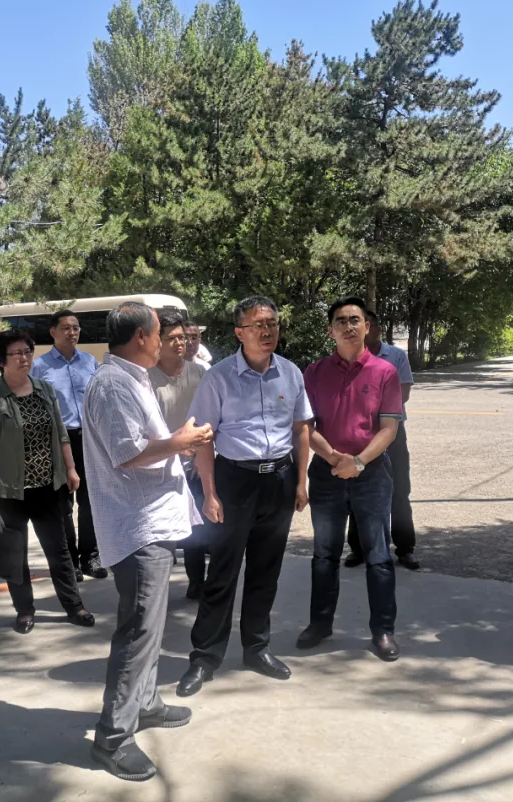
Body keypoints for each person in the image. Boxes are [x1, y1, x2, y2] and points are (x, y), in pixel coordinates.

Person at [83, 302, 214, 781]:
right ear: (141, 336)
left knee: (151, 627)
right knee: (138, 631)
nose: (165, 341)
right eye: (159, 333)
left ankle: (146, 702)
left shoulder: (131, 378)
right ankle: (113, 737)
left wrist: (178, 441)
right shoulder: (113, 384)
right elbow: (127, 453)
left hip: (153, 521)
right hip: (138, 527)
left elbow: (140, 443)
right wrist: (180, 442)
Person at [177, 296, 313, 697]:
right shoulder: (218, 377)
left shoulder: (290, 373)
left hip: (279, 480)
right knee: (222, 573)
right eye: (258, 325)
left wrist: (301, 481)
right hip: (235, 481)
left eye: (272, 323)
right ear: (240, 333)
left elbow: (301, 428)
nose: (267, 331)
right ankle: (204, 658)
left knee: (265, 573)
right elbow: (204, 438)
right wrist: (210, 493)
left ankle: (257, 648)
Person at [298, 299, 404, 661]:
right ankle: (320, 624)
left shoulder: (385, 372)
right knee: (324, 554)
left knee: (378, 555)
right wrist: (334, 458)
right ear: (331, 330)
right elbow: (305, 425)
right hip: (327, 473)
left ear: (366, 327)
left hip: (371, 473)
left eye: (355, 320)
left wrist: (357, 462)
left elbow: (389, 429)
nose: (348, 326)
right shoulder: (314, 372)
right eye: (340, 321)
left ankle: (383, 630)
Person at [0, 328, 95, 634]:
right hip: (10, 491)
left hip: (48, 487)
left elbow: (61, 433)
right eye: (16, 353)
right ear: (2, 360)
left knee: (60, 551)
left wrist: (71, 469)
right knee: (15, 555)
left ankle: (74, 606)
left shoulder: (44, 389)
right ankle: (25, 610)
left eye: (28, 352)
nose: (24, 358)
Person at [31, 310, 107, 579]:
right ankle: (70, 561)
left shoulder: (89, 362)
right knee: (63, 504)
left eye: (75, 327)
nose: (72, 332)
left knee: (90, 501)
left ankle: (90, 557)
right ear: (53, 332)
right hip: (57, 442)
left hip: (88, 439)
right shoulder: (39, 367)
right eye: (66, 328)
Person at [346, 310, 419, 570]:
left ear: (376, 328)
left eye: (370, 324)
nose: (365, 330)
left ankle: (405, 549)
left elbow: (403, 394)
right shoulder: (350, 357)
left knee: (399, 491)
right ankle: (358, 548)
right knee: (358, 490)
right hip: (361, 434)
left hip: (392, 433)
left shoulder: (396, 356)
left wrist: (370, 406)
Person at [148, 309, 208, 599]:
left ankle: (197, 582)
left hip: (196, 463)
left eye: (183, 337)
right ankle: (154, 591)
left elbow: (210, 418)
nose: (180, 343)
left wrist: (201, 456)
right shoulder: (145, 378)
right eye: (172, 338)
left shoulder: (199, 373)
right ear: (157, 341)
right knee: (161, 532)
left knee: (196, 528)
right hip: (159, 465)